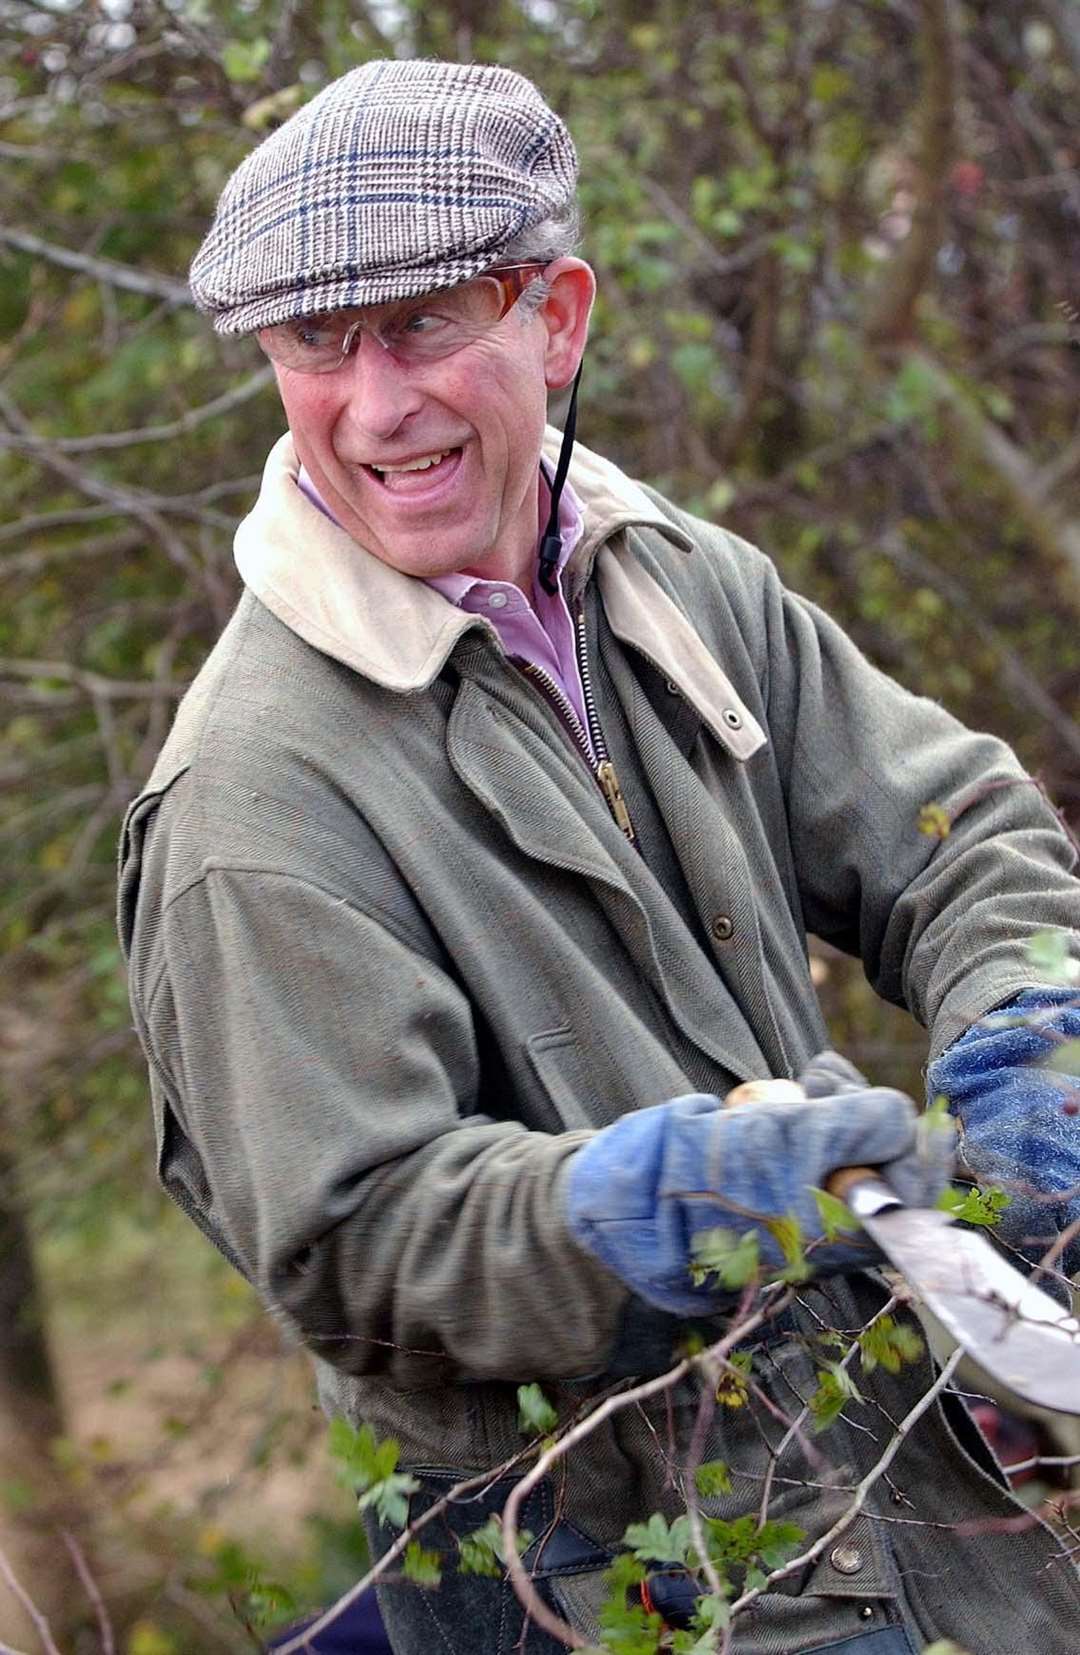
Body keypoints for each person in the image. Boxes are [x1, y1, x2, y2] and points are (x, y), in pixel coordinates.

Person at [118, 58, 1080, 1655]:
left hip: (897, 1515)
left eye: (425, 323)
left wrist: (1033, 1036)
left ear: (553, 319)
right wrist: (662, 1204)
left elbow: (956, 831)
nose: (376, 403)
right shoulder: (252, 803)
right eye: (314, 344)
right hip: (623, 1599)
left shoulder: (668, 578)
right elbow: (356, 1242)